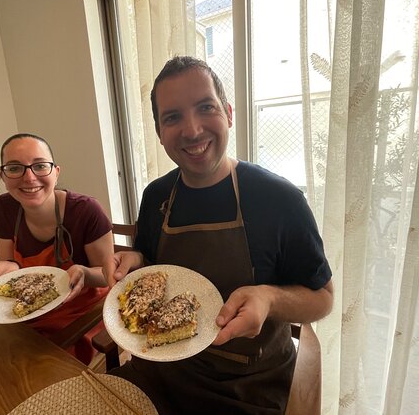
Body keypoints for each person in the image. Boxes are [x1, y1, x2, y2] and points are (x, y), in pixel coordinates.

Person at [104, 56, 333, 414]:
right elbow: (149, 266)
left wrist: (270, 298)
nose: (192, 130)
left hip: (246, 387)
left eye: (205, 107)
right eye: (173, 117)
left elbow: (324, 299)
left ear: (228, 112)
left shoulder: (278, 200)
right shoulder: (156, 197)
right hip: (159, 370)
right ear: (160, 133)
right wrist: (134, 259)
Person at [0, 133, 113, 365]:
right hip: (29, 309)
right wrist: (7, 267)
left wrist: (83, 273)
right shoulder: (1, 210)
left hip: (84, 312)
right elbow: (13, 268)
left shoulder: (86, 211)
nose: (29, 177)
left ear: (56, 171)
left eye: (40, 166)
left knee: (45, 370)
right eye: (14, 168)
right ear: (3, 175)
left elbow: (106, 276)